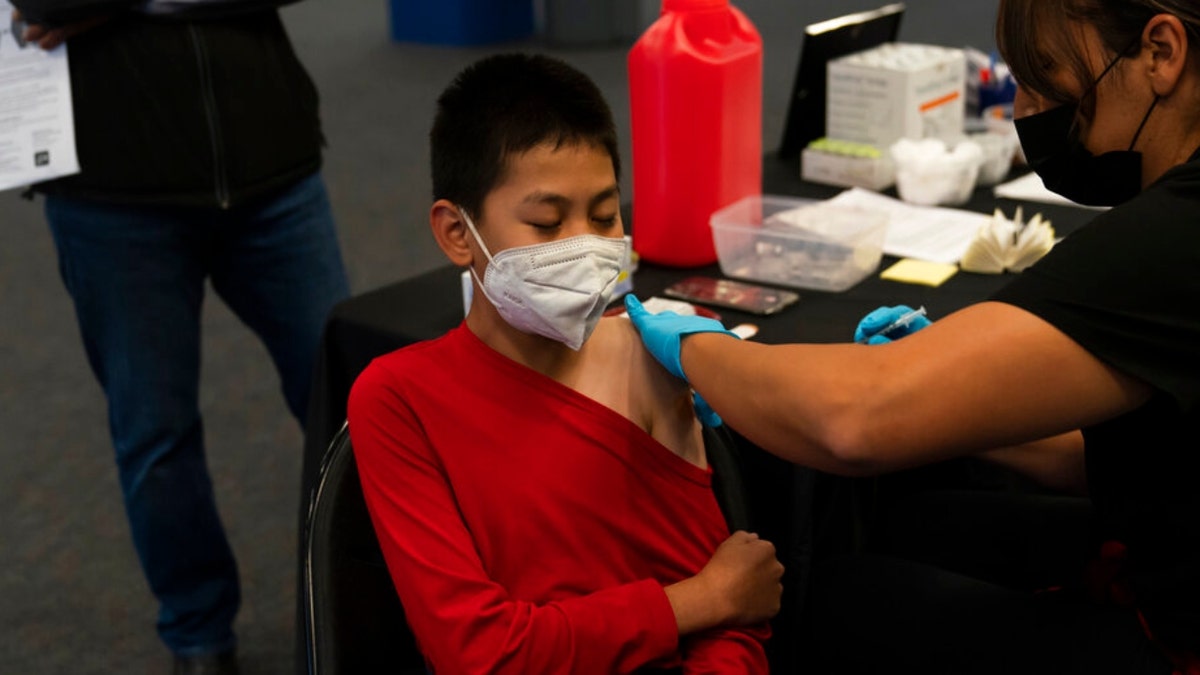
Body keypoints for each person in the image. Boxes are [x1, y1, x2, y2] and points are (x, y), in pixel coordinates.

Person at [622, 1, 1200, 673]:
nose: (1026, 114)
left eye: (1050, 80)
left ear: (1161, 52)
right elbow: (1126, 448)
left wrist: (697, 347)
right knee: (919, 523)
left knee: (843, 600)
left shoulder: (1172, 237)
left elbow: (854, 420)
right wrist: (975, 405)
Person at [346, 52, 783, 674]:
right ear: (457, 234)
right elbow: (479, 654)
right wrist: (697, 601)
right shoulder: (399, 398)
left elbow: (736, 611)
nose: (586, 245)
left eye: (605, 216)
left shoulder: (646, 358)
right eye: (547, 223)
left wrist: (718, 612)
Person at [12, 1, 350, 673]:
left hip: (272, 174)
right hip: (115, 202)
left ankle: (383, 596)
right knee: (154, 434)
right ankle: (198, 632)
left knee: (350, 404)